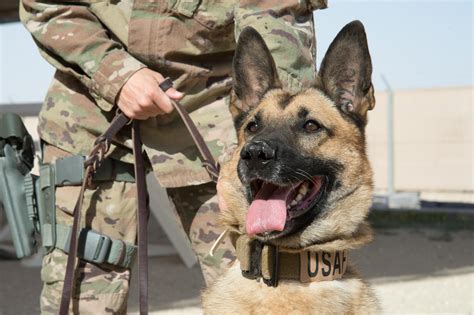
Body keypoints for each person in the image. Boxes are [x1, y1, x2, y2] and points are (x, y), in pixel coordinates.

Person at [19, 0, 327, 313]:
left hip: (217, 112)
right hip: (91, 111)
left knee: (266, 288)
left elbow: (274, 17)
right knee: (81, 299)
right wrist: (117, 73)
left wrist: (274, 142)